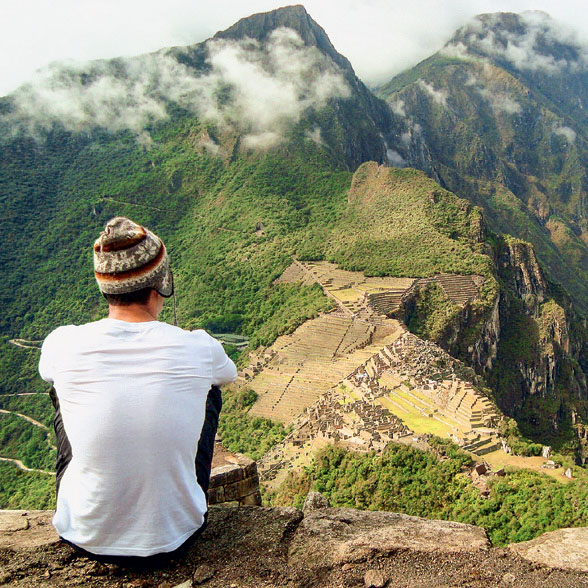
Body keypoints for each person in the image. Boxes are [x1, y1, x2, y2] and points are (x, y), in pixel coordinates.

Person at [39, 216, 237, 560]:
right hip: (176, 538)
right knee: (210, 390)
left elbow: (47, 373)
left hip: (83, 536)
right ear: (160, 284)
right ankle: (177, 501)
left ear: (104, 287)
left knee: (61, 387)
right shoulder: (201, 348)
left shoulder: (62, 343)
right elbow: (228, 374)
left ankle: (95, 505)